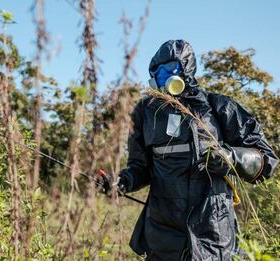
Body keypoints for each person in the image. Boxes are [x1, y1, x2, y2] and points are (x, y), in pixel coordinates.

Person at [100, 40, 278, 260]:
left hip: (214, 235)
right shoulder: (144, 113)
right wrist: (121, 181)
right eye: (159, 72)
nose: (165, 77)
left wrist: (232, 157)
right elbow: (140, 167)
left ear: (187, 70)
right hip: (162, 236)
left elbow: (266, 160)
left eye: (172, 70)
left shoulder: (219, 108)